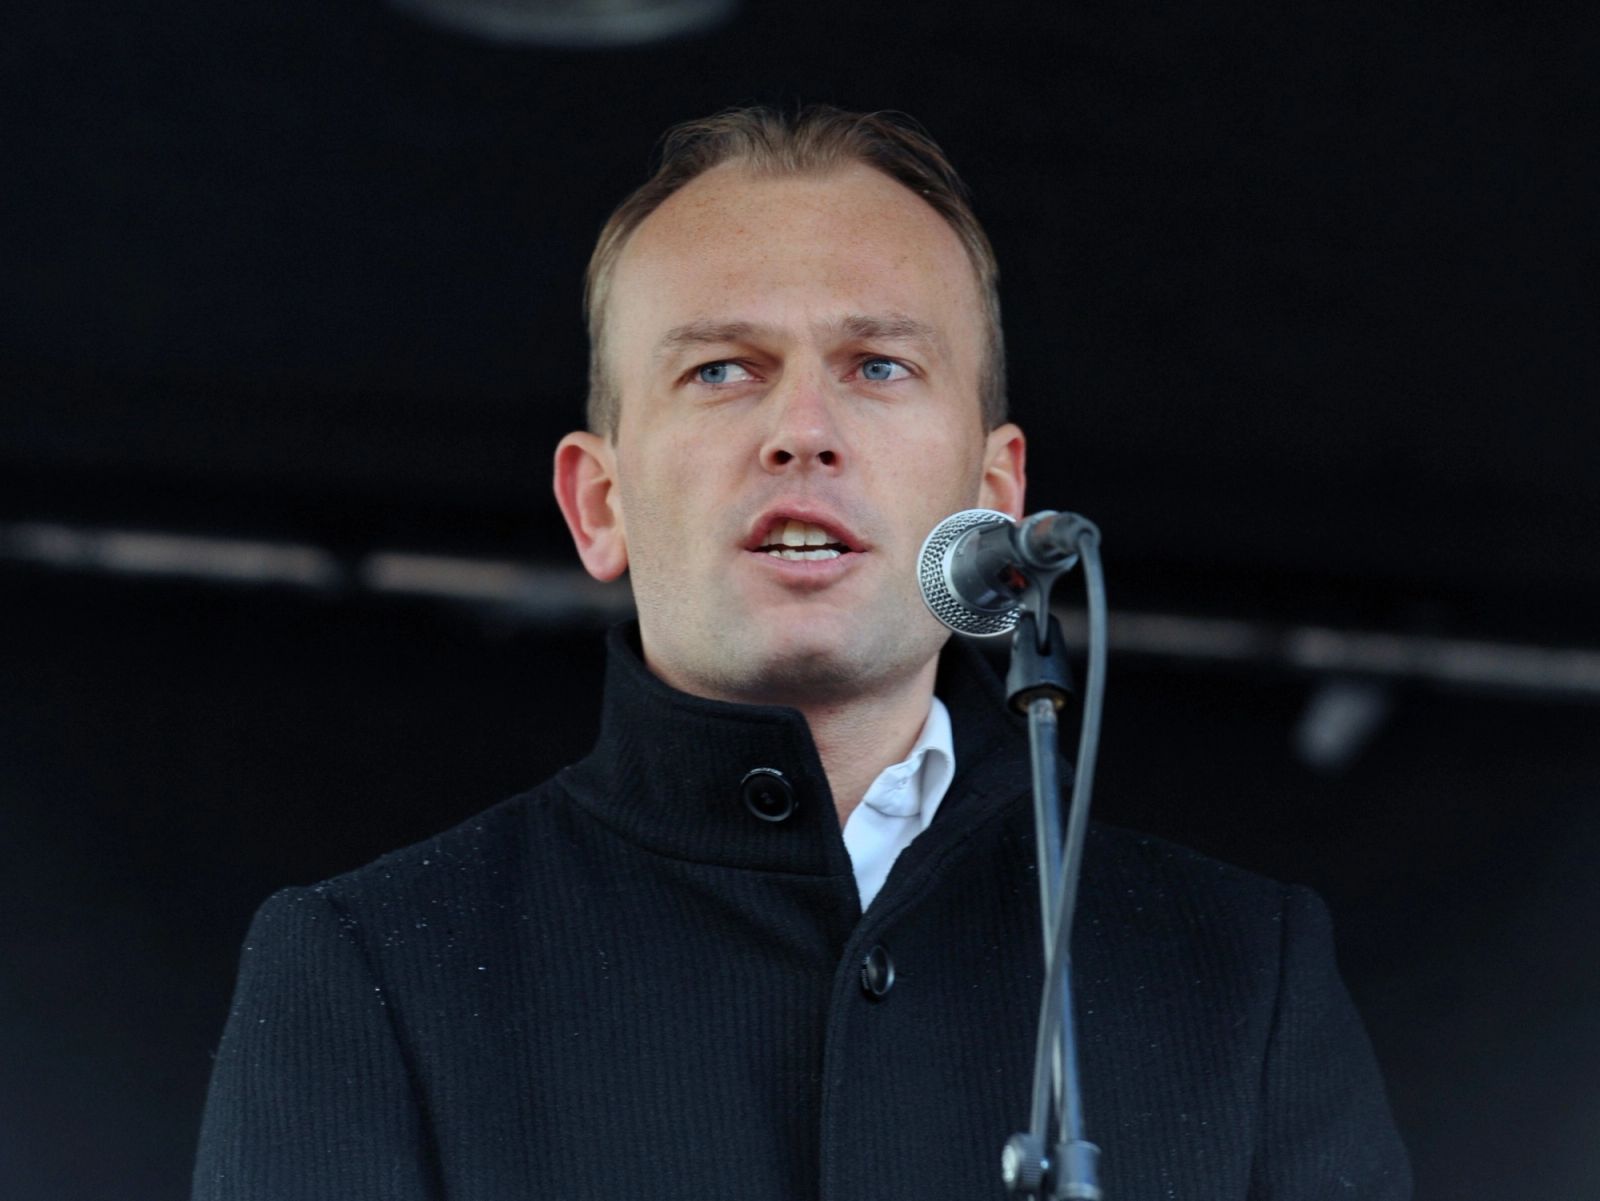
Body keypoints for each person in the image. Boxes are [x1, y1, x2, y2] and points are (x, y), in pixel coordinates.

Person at [193, 105, 1411, 1200]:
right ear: (599, 505)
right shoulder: (371, 967)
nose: (803, 431)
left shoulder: (1237, 971)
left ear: (993, 493)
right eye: (722, 368)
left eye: (878, 366)